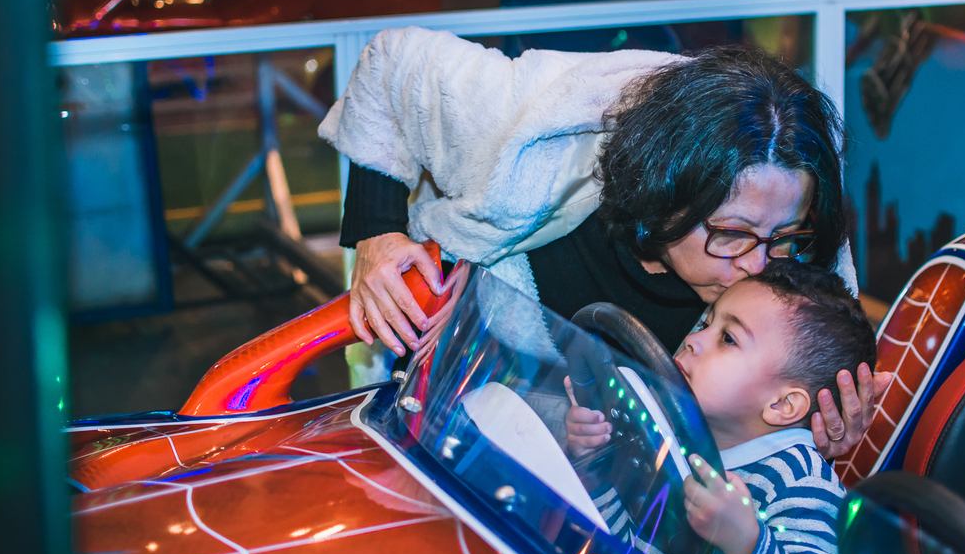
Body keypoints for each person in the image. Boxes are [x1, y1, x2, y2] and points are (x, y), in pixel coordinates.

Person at [320, 25, 889, 458]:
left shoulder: (798, 233)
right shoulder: (547, 124)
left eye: (783, 237)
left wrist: (808, 439)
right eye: (733, 233)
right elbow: (392, 64)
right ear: (667, 191)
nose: (760, 265)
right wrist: (377, 234)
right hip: (441, 364)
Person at [565, 260, 877, 554]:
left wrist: (745, 544)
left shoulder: (802, 483)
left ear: (783, 405)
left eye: (728, 338)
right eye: (705, 323)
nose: (693, 340)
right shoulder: (666, 432)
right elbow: (621, 553)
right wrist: (591, 462)